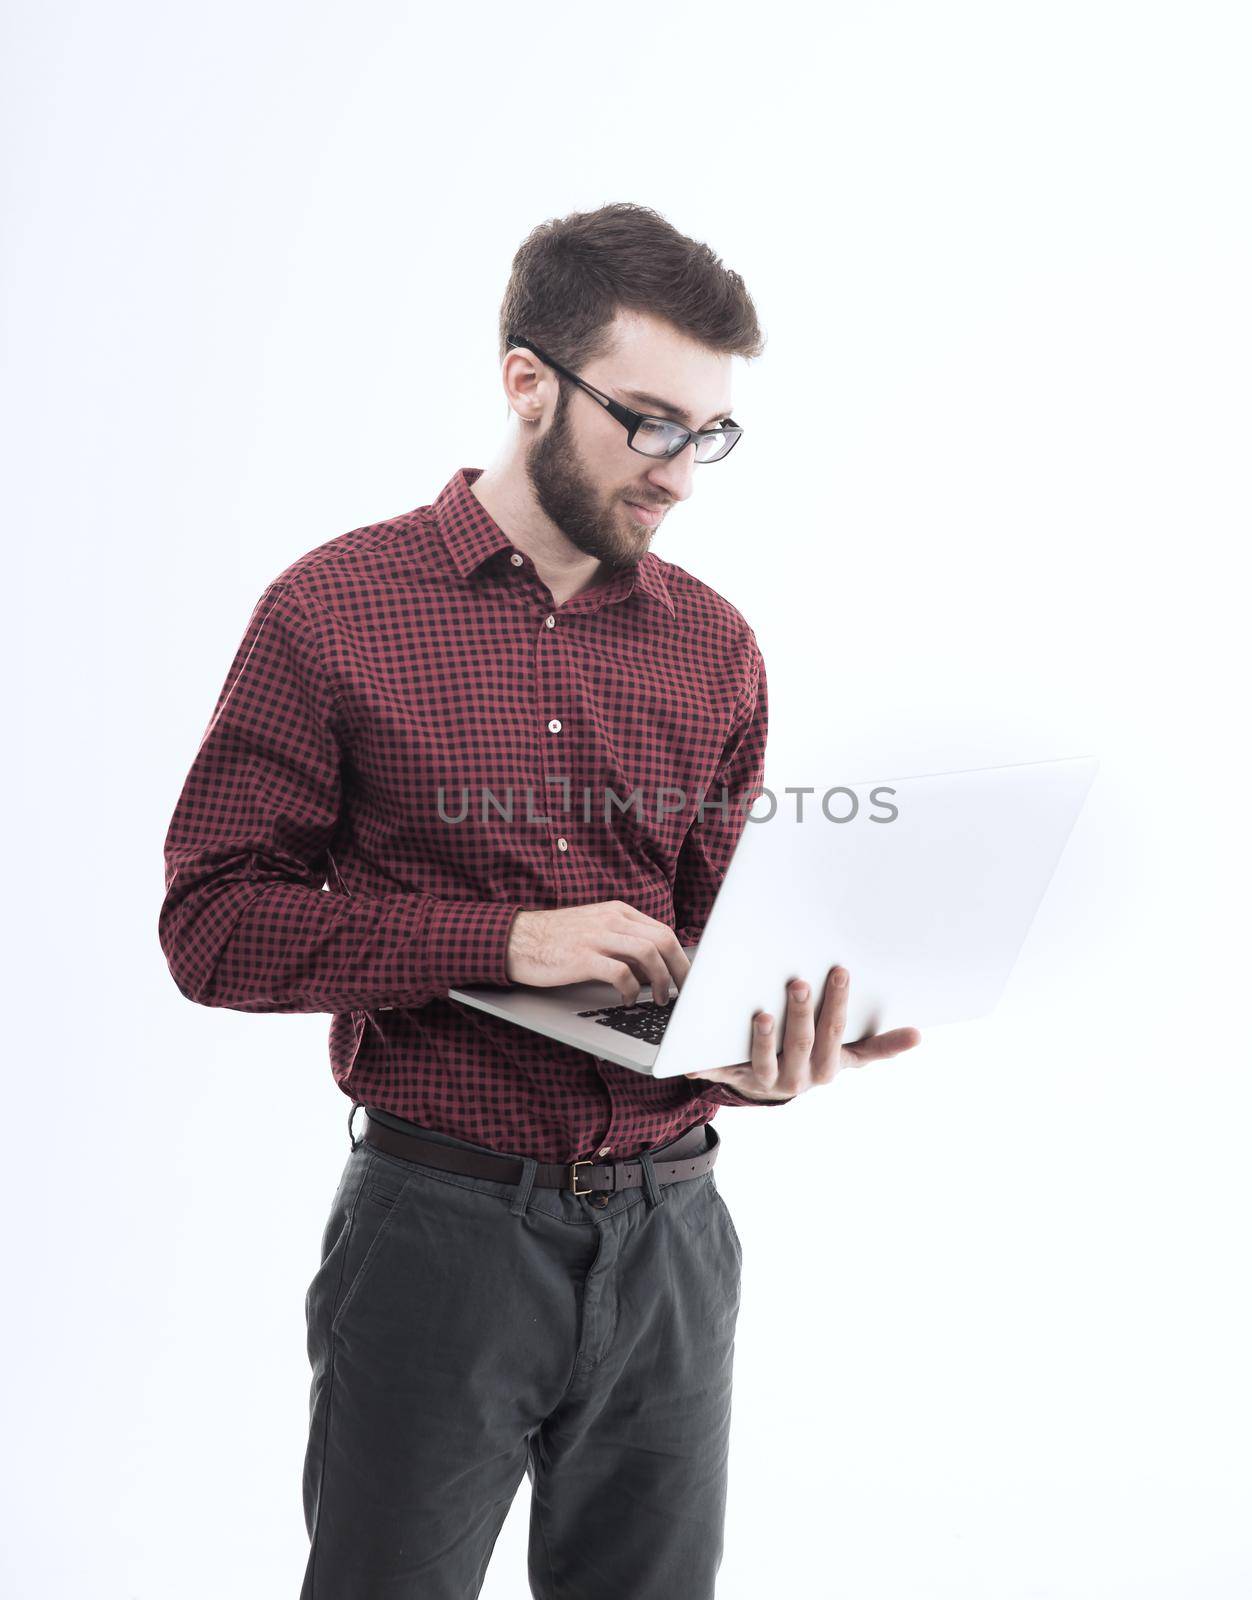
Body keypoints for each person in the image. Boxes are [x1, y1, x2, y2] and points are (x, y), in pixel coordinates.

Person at [157, 201, 921, 1599]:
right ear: (527, 382)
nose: (681, 471)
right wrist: (504, 939)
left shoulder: (717, 647)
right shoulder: (330, 614)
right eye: (648, 420)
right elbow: (211, 923)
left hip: (680, 1237)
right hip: (440, 1230)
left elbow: (704, 952)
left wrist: (768, 1051)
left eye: (710, 432)